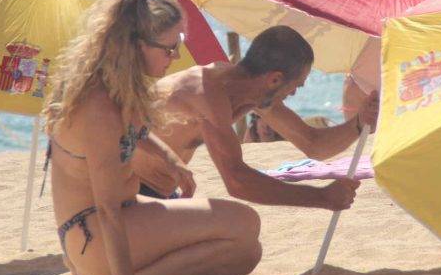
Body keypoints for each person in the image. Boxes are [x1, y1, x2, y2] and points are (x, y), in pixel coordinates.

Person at [43, 0, 262, 275]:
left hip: (98, 228)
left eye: (180, 45)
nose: (175, 57)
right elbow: (108, 209)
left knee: (245, 252)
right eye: (169, 48)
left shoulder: (112, 82)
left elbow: (134, 130)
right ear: (136, 45)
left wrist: (171, 161)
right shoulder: (98, 107)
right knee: (245, 222)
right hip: (95, 229)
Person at [135, 25, 380, 209]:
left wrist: (358, 123)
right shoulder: (206, 92)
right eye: (296, 86)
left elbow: (313, 143)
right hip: (130, 193)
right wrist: (321, 197)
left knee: (238, 235)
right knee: (239, 227)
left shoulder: (249, 92)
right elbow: (236, 181)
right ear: (274, 79)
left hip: (163, 193)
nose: (293, 94)